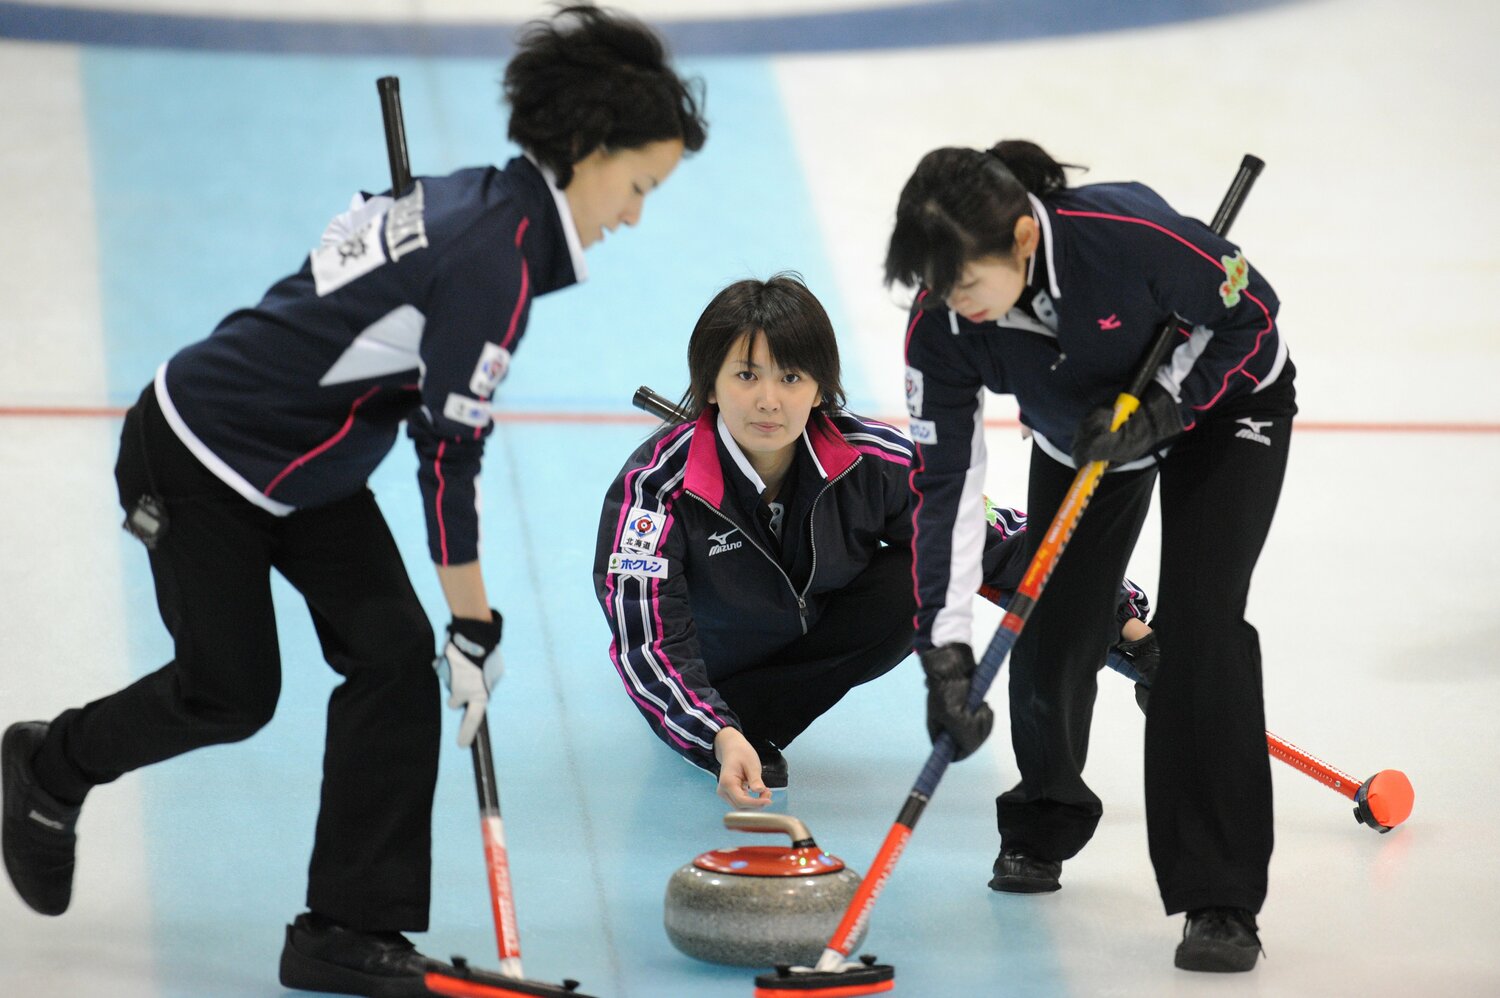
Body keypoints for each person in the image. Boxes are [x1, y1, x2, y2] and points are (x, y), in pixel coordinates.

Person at [0, 6, 705, 996]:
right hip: (201, 455)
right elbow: (447, 453)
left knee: (388, 656)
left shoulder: (477, 207)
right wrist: (475, 621)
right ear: (588, 152)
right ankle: (49, 763)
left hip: (312, 470)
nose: (633, 214)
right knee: (231, 691)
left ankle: (344, 928)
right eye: (638, 185)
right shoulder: (489, 258)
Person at [886, 140, 1296, 973]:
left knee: (1200, 631)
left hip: (1224, 407)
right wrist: (947, 651)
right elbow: (948, 492)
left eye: (966, 282)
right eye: (936, 285)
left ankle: (1219, 896)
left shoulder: (1124, 238)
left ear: (1022, 240)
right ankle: (1044, 816)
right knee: (1054, 626)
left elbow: (1252, 315)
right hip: (1082, 436)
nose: (953, 306)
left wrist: (1167, 407)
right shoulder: (942, 329)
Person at [591, 275, 1151, 810]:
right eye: (745, 376)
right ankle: (735, 728)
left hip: (808, 639)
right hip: (704, 671)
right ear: (709, 383)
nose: (768, 401)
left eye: (790, 378)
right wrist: (715, 733)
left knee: (925, 568)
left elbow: (981, 538)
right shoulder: (656, 490)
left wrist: (1118, 623)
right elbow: (647, 641)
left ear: (819, 389)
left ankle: (755, 721)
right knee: (707, 703)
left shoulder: (869, 460)